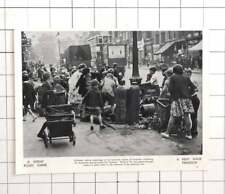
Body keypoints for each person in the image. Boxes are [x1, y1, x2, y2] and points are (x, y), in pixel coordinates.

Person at [161, 65, 195, 140]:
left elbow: (170, 89)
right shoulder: (186, 77)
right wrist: (189, 94)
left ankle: (167, 133)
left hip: (177, 99)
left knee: (173, 116)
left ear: (174, 71)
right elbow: (193, 88)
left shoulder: (173, 77)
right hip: (187, 99)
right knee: (187, 116)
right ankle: (189, 134)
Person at [185, 68, 200, 137]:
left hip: (193, 99)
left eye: (188, 73)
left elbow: (195, 89)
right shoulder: (189, 81)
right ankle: (193, 130)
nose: (187, 74)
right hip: (194, 99)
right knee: (192, 115)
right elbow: (196, 89)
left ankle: (193, 130)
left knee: (192, 115)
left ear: (190, 74)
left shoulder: (190, 81)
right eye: (186, 73)